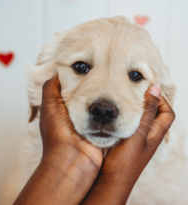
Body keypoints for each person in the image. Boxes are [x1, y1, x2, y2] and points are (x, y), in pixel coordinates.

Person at [14, 74, 175, 205]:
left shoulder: (168, 189)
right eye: (81, 67)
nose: (103, 108)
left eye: (135, 75)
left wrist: (115, 175)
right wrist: (116, 179)